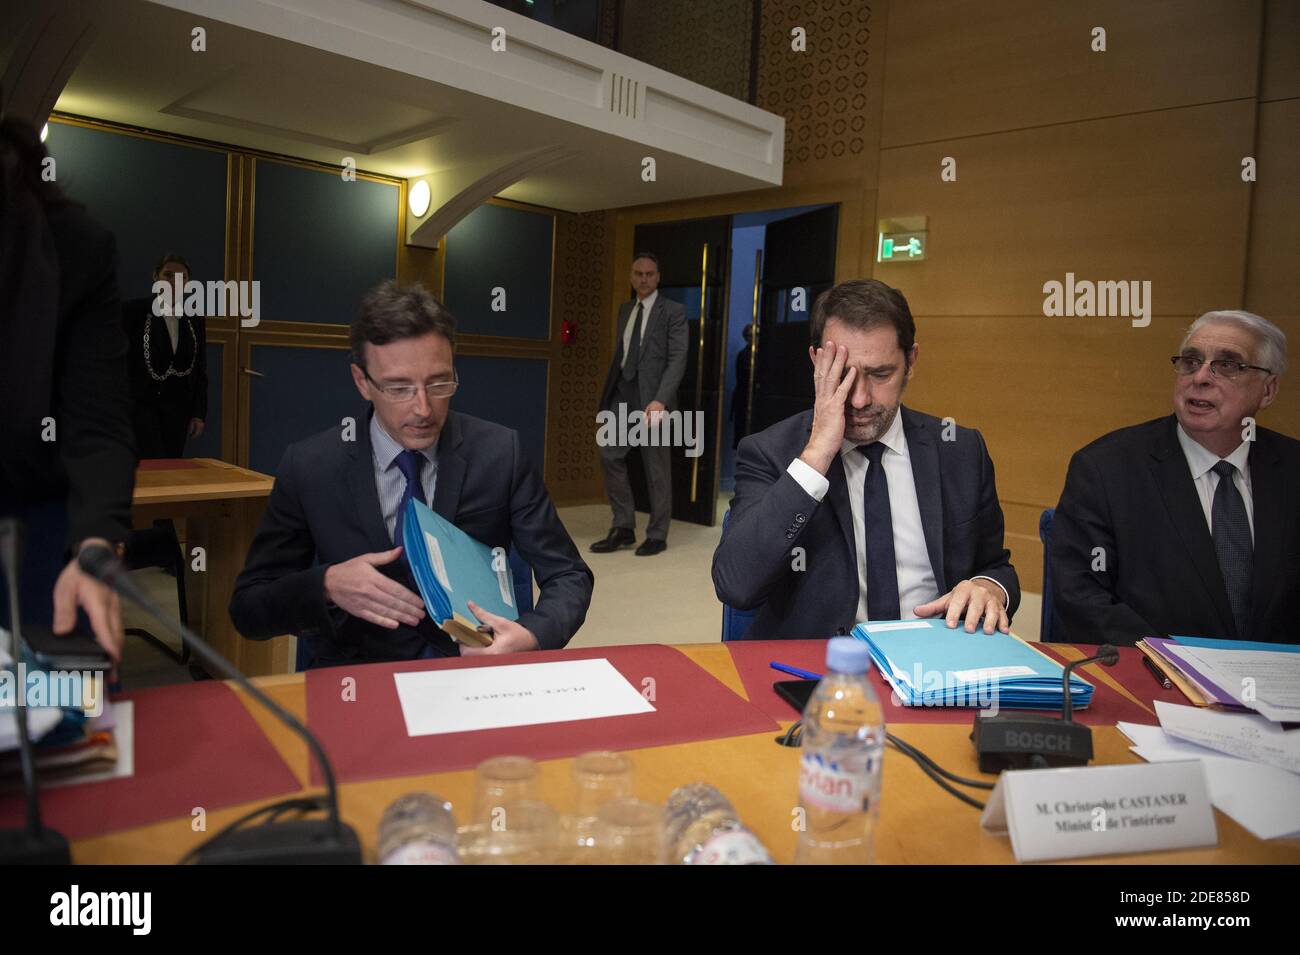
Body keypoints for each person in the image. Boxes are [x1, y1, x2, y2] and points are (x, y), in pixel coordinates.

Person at [229, 280, 594, 667]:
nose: (423, 409)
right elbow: (249, 608)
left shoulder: (502, 453)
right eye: (399, 388)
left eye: (439, 383)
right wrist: (326, 585)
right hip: (358, 680)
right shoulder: (309, 466)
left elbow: (569, 575)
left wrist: (532, 634)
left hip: (470, 672)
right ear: (361, 382)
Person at [713, 278, 1019, 640]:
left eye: (880, 374)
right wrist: (816, 455)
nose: (859, 400)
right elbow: (737, 585)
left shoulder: (962, 450)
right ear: (816, 362)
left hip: (936, 661)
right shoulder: (769, 451)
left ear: (911, 362)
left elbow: (995, 566)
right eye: (843, 375)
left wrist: (989, 587)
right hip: (821, 670)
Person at [1051, 310, 1298, 645]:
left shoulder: (1291, 469)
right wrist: (1174, 666)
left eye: (1227, 365)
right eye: (1191, 361)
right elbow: (1082, 596)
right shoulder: (1106, 469)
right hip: (1154, 681)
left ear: (1268, 390)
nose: (1201, 377)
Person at [0, 114, 135, 662]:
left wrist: (96, 546)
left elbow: (96, 419)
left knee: (67, 708)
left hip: (43, 512)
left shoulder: (76, 247)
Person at [590, 252, 688, 556]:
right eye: (638, 273)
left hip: (654, 400)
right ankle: (623, 527)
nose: (643, 279)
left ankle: (657, 534)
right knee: (609, 455)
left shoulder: (673, 311)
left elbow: (677, 358)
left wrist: (660, 399)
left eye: (649, 274)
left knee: (656, 469)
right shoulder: (625, 309)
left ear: (658, 277)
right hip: (623, 394)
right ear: (631, 277)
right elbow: (622, 355)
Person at [123, 254, 208, 458]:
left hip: (178, 411)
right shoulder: (131, 312)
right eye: (168, 274)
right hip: (140, 408)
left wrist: (198, 413)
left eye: (182, 277)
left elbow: (199, 369)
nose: (174, 281)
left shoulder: (194, 319)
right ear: (156, 277)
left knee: (171, 470)